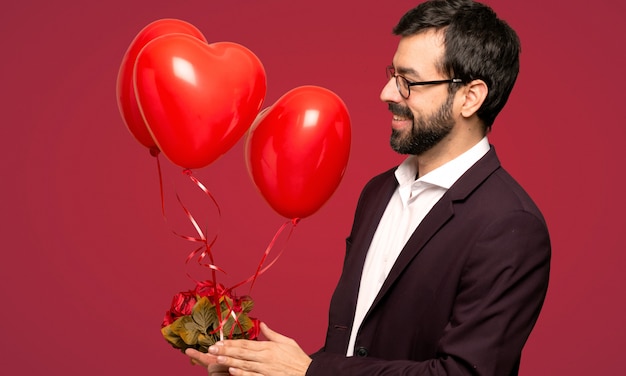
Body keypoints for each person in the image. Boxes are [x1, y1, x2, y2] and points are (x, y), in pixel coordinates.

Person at [186, 0, 551, 374]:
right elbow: (357, 351)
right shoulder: (379, 193)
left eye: (408, 81)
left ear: (470, 97)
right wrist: (255, 366)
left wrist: (308, 372)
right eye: (393, 75)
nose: (387, 93)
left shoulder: (511, 227)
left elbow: (463, 373)